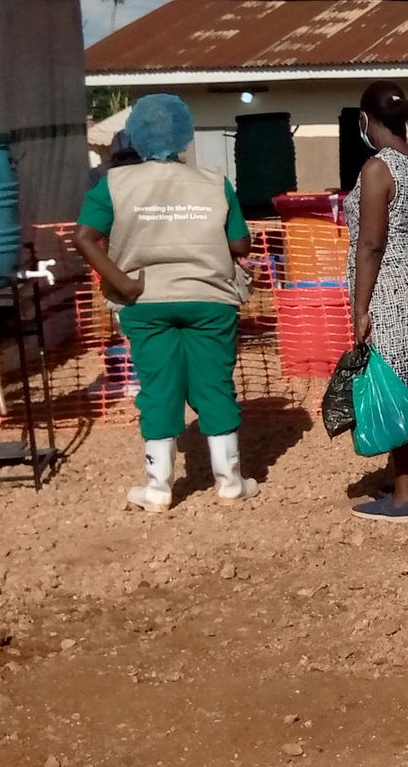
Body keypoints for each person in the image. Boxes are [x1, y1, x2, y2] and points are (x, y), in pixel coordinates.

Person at [72, 94, 258, 513]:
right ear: (185, 135)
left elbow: (84, 237)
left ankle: (157, 487)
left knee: (158, 388)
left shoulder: (114, 184)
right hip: (210, 297)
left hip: (145, 300)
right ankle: (229, 480)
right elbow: (239, 243)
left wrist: (123, 283)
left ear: (134, 136)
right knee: (215, 384)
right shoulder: (214, 182)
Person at [347, 81, 408, 523]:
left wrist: (360, 306)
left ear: (366, 120)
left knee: (399, 380)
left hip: (391, 282)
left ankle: (406, 498)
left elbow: (370, 244)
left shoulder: (377, 169)